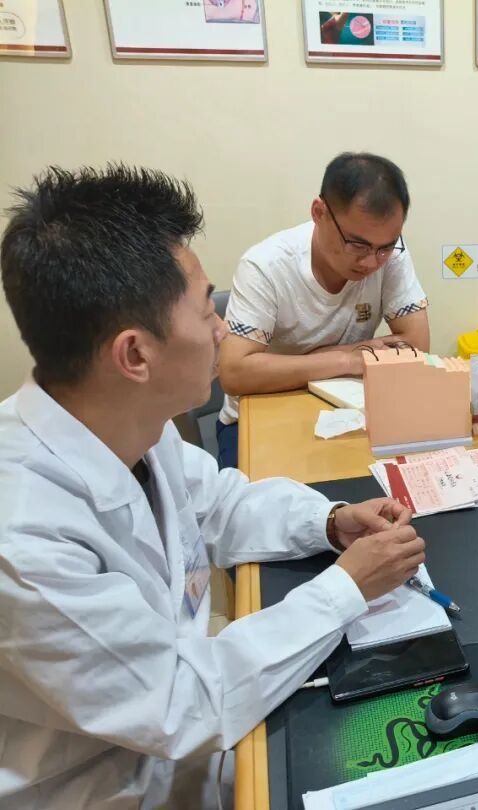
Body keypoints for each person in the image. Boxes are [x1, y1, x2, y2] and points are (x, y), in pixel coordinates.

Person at [0, 165, 426, 809]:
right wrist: (346, 588)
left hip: (192, 738)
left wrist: (330, 520)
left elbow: (222, 503)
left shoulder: (126, 424)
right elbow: (182, 701)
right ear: (135, 355)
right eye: (206, 309)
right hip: (117, 786)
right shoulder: (25, 540)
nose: (224, 330)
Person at [216, 152, 430, 468]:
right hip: (262, 416)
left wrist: (314, 359)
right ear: (319, 212)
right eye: (357, 245)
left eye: (385, 247)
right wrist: (346, 359)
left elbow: (416, 346)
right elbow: (235, 373)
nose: (371, 262)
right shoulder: (265, 266)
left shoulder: (391, 255)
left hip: (349, 414)